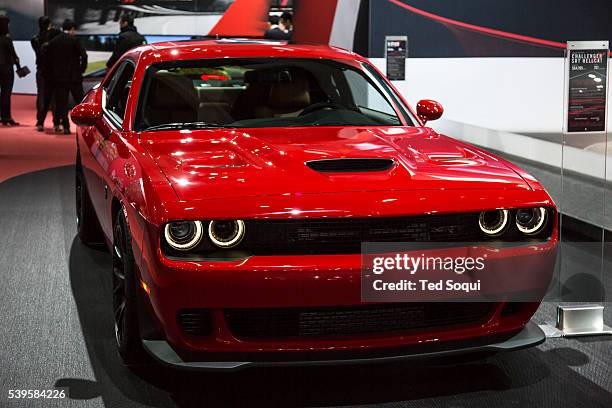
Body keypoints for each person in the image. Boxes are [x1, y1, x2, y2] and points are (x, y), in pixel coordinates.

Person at [43, 19, 87, 134]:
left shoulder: (54, 41)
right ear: (72, 29)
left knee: (62, 103)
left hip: (59, 78)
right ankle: (85, 126)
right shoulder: (75, 40)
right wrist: (81, 70)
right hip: (74, 77)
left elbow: (48, 60)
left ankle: (66, 127)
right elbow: (84, 56)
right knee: (80, 102)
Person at [31, 16, 60, 132]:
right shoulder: (54, 37)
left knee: (41, 95)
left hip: (41, 70)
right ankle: (56, 123)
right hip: (53, 70)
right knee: (54, 98)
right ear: (49, 25)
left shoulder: (35, 39)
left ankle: (40, 122)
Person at [0, 15, 20, 126]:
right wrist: (19, 66)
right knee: (6, 93)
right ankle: (6, 117)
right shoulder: (7, 39)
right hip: (7, 68)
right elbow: (14, 56)